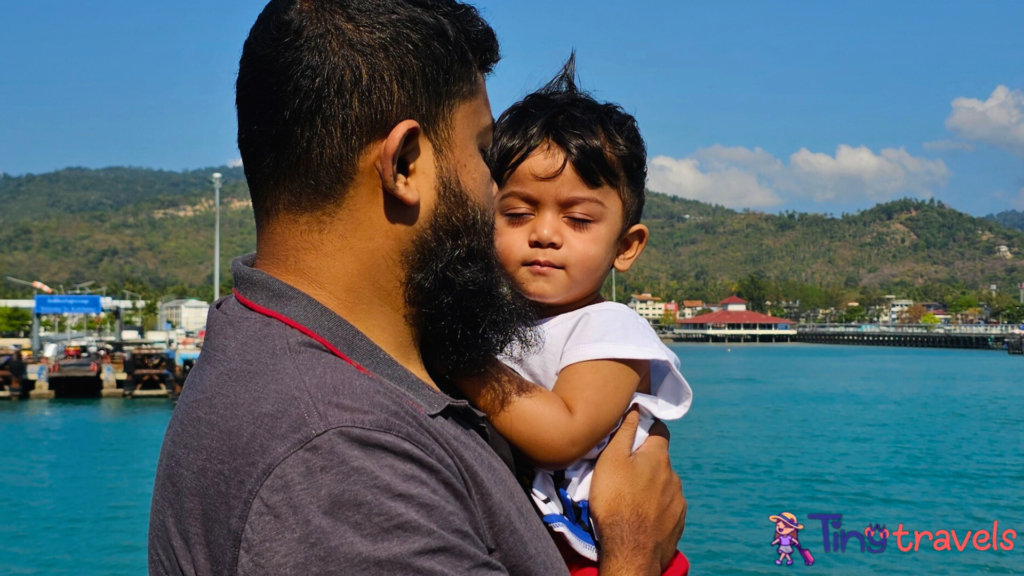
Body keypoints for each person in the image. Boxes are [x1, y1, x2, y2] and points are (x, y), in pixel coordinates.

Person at [148, 1, 686, 575]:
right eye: (485, 156)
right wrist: (632, 553)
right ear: (405, 163)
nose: (499, 199)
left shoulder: (267, 349)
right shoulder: (337, 456)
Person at [453, 56, 692, 573]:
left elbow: (562, 436)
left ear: (626, 247)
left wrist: (459, 358)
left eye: (578, 219)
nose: (544, 232)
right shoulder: (502, 322)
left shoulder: (611, 329)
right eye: (517, 213)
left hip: (599, 551)